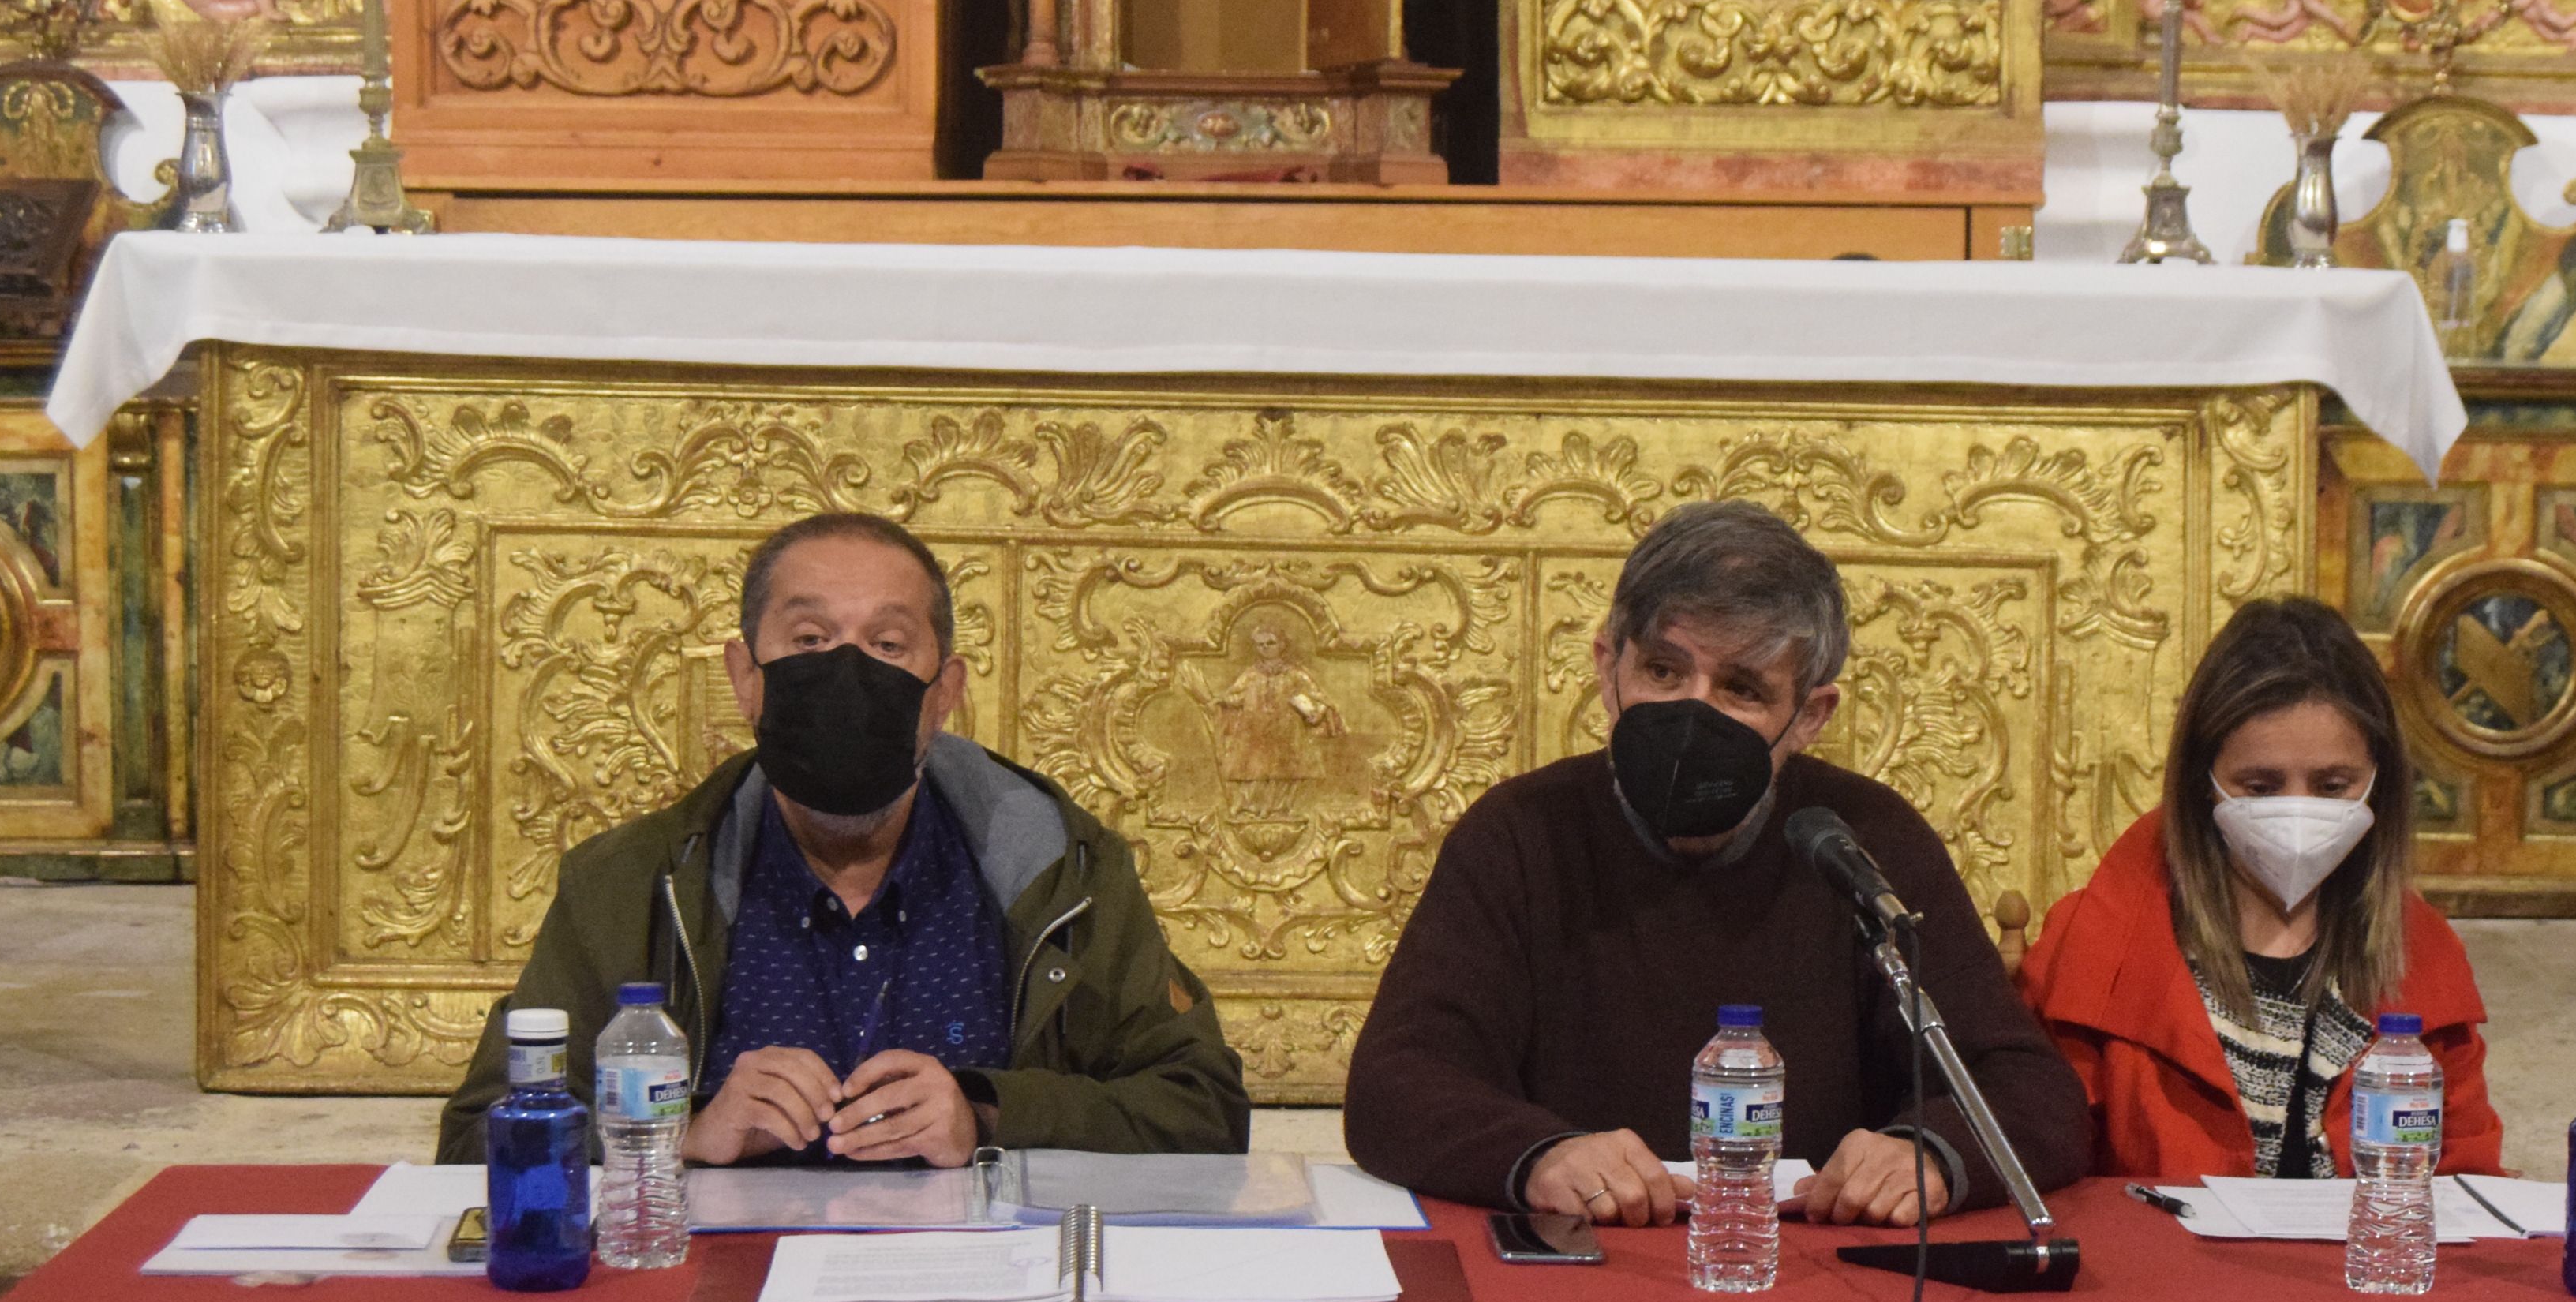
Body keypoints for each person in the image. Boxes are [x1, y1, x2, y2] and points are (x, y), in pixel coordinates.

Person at [1343, 500, 2092, 1227]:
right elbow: (1396, 1084)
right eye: (1665, 672)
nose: (1693, 715)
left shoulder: (1861, 840)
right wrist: (1540, 1157)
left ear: (1809, 717)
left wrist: (1929, 1155)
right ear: (1609, 666)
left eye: (1741, 689)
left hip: (1802, 1272)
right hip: (1584, 1265)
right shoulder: (1519, 833)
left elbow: (2028, 1089)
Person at [438, 511, 1249, 1165]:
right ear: (744, 679)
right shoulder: (627, 884)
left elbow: (1201, 1107)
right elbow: (481, 1132)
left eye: (889, 646)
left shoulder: (1061, 871)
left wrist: (987, 1114)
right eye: (810, 642)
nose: (847, 675)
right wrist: (680, 1136)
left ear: (946, 693)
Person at [2018, 596, 2503, 1180]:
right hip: (2165, 1267)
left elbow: (2465, 1179)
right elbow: (2046, 1173)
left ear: (2379, 781)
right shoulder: (2094, 945)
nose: (2298, 811)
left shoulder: (2424, 957)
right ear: (2203, 782)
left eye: (2331, 785)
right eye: (2261, 785)